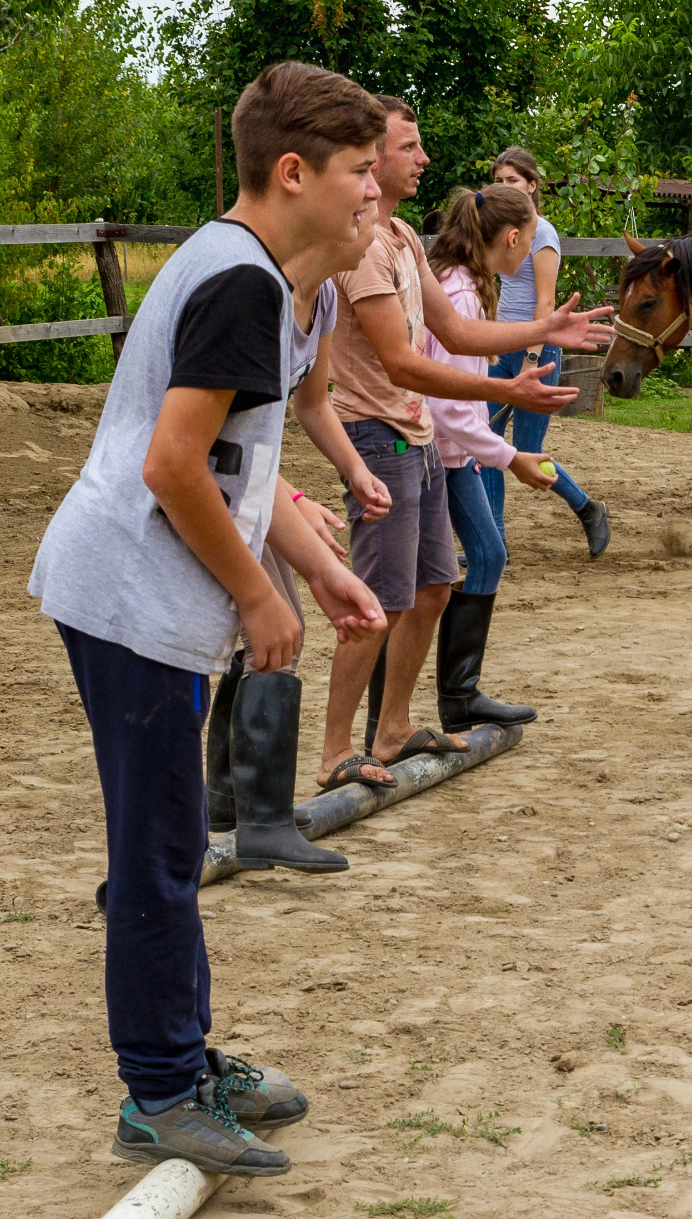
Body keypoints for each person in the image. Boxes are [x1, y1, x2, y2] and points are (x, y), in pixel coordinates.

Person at [28, 61, 391, 1176]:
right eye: (361, 172)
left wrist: (312, 568)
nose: (377, 193)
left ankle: (186, 1061)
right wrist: (252, 591)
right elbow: (171, 461)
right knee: (157, 850)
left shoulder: (285, 286)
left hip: (155, 592)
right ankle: (155, 1090)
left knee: (176, 841)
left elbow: (236, 467)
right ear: (294, 173)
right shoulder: (238, 282)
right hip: (130, 594)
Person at [321, 96, 610, 792]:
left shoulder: (405, 239)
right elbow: (401, 362)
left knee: (433, 586)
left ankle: (391, 729)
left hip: (415, 433)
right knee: (380, 602)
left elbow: (453, 332)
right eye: (408, 147)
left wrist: (540, 334)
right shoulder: (363, 246)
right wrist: (508, 397)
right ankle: (335, 751)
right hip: (377, 431)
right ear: (371, 155)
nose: (423, 159)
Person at [200, 190, 392, 874]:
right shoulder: (260, 295)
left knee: (274, 637)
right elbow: (209, 436)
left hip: (249, 484)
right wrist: (293, 494)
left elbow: (306, 405)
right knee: (260, 634)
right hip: (213, 486)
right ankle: (246, 815)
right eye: (364, 202)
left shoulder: (325, 304)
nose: (375, 220)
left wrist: (345, 471)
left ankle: (239, 810)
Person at [426, 184, 559, 732]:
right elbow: (447, 405)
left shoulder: (469, 286)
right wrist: (509, 457)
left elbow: (465, 397)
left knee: (486, 553)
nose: (528, 252)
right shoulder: (460, 293)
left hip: (454, 452)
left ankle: (460, 694)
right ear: (509, 238)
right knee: (459, 565)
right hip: (439, 453)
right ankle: (454, 697)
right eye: (527, 242)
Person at [483, 146, 610, 558]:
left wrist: (533, 358)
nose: (505, 187)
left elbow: (544, 302)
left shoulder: (544, 234)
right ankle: (494, 536)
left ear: (532, 185)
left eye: (513, 181)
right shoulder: (503, 232)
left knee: (526, 452)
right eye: (499, 181)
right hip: (502, 349)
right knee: (486, 443)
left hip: (534, 354)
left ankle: (588, 508)